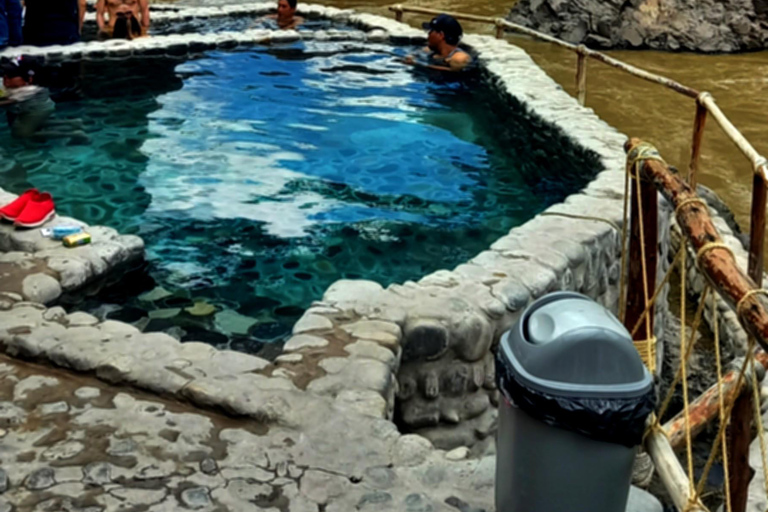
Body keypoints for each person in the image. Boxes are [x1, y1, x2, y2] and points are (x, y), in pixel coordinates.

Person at [0, 57, 87, 143]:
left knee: (20, 134)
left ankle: (73, 134)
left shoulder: (28, 90)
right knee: (39, 123)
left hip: (36, 111)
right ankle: (73, 123)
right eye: (5, 75)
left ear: (28, 79)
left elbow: (10, 101)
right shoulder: (24, 84)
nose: (5, 79)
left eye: (10, 77)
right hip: (37, 108)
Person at [405, 14, 473, 72]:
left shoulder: (459, 57)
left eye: (430, 31)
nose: (428, 35)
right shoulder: (430, 50)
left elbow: (453, 72)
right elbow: (415, 54)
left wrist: (418, 65)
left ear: (440, 35)